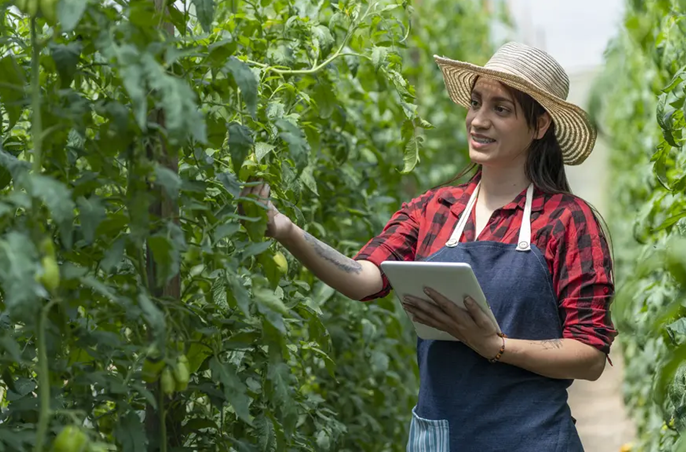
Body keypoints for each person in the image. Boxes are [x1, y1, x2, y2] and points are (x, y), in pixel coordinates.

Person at [240, 42, 617, 451]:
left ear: (540, 126)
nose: (478, 120)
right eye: (475, 103)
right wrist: (284, 228)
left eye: (501, 109)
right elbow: (364, 279)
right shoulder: (434, 209)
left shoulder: (567, 221)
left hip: (532, 438)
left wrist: (496, 347)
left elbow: (589, 354)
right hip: (441, 437)